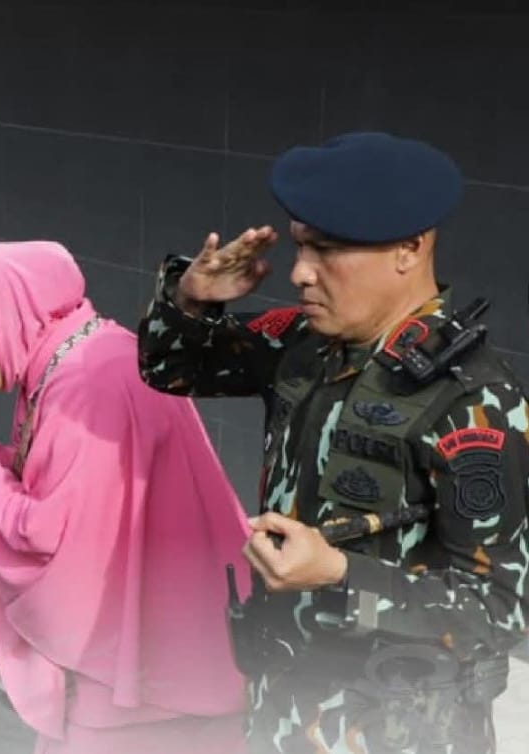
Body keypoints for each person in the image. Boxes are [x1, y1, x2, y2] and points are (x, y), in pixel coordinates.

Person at [136, 131, 529, 753]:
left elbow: (498, 612)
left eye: (327, 249)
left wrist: (342, 574)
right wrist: (192, 299)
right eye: (300, 245)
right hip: (283, 713)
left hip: (394, 733)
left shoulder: (474, 402)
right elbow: (169, 369)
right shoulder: (305, 346)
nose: (299, 272)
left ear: (409, 249)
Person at [0, 241, 250, 754]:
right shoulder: (84, 354)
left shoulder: (84, 383)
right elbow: (73, 488)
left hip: (142, 689)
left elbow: (47, 534)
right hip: (169, 643)